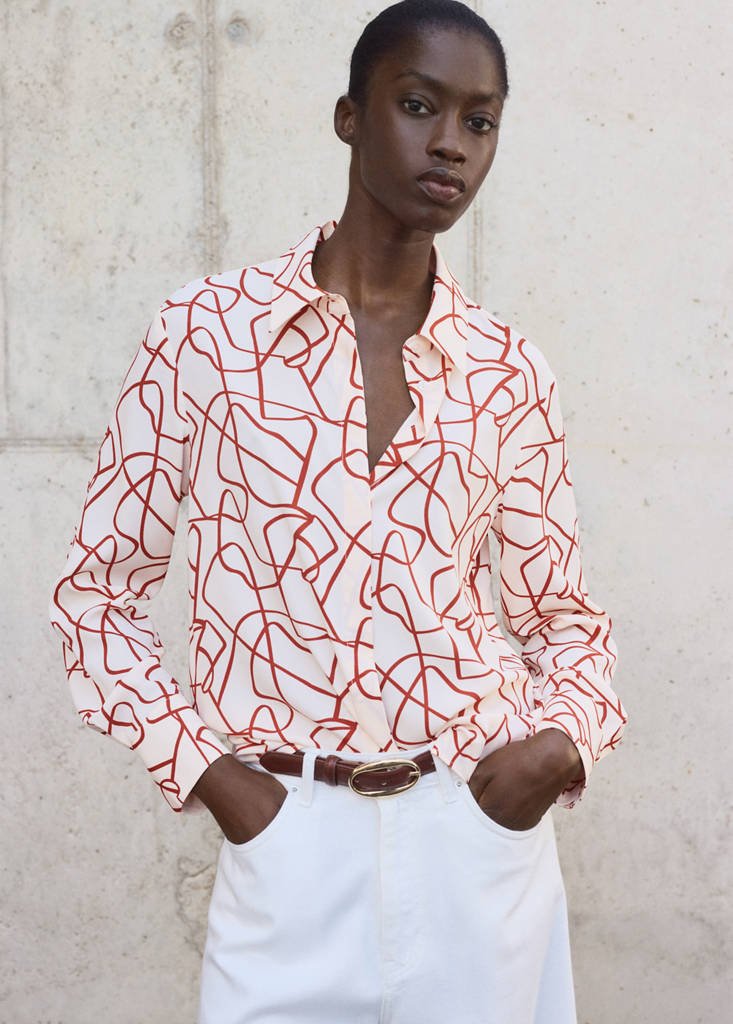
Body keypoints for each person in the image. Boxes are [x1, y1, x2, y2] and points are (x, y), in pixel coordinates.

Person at [49, 1, 627, 1021]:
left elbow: (564, 622)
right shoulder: (205, 336)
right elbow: (95, 596)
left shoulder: (505, 370)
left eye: (480, 121)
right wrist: (218, 780)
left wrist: (555, 749)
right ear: (348, 117)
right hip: (286, 845)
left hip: (475, 843)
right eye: (418, 105)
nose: (450, 143)